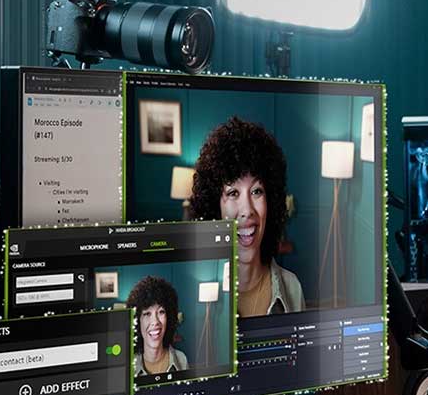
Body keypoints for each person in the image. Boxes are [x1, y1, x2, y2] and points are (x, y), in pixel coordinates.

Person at [190, 116, 305, 317]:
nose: (248, 210)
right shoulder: (194, 295)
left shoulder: (292, 287)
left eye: (257, 191)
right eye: (233, 193)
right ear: (215, 206)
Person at [127, 275, 189, 376]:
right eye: (147, 314)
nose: (155, 321)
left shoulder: (181, 359)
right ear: (137, 321)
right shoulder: (127, 366)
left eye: (161, 312)